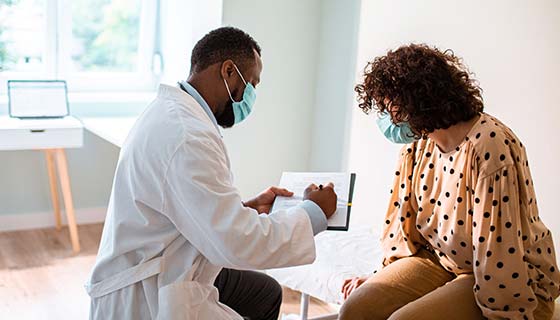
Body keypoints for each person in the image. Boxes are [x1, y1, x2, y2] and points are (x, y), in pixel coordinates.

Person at [85, 26, 338, 320]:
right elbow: (238, 244)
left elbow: (187, 207)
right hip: (148, 291)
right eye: (252, 84)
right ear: (229, 72)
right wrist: (313, 212)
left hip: (171, 259)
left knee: (265, 292)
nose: (251, 97)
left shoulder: (174, 114)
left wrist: (246, 209)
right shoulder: (187, 136)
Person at [340, 44, 559, 319]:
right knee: (356, 309)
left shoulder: (488, 146)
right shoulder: (417, 145)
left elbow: (498, 248)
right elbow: (402, 228)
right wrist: (380, 279)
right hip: (439, 261)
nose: (387, 118)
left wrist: (506, 315)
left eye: (388, 106)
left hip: (499, 273)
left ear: (418, 99)